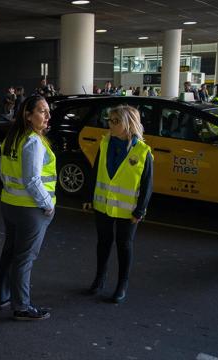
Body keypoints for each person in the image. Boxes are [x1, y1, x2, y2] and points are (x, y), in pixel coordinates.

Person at [83, 105, 153, 304]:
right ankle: (99, 278)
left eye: (115, 121)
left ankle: (122, 284)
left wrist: (140, 210)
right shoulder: (105, 143)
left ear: (128, 124)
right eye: (109, 120)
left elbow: (147, 184)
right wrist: (89, 197)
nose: (110, 124)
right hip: (103, 204)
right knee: (103, 243)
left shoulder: (142, 151)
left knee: (124, 246)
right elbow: (95, 171)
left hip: (128, 210)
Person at [0, 95, 56, 320]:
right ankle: (21, 306)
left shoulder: (13, 138)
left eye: (48, 111)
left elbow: (2, 172)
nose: (48, 116)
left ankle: (3, 297)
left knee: (10, 252)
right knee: (24, 258)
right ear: (28, 115)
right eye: (42, 111)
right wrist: (47, 204)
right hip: (31, 209)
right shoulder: (32, 141)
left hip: (10, 204)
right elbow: (32, 180)